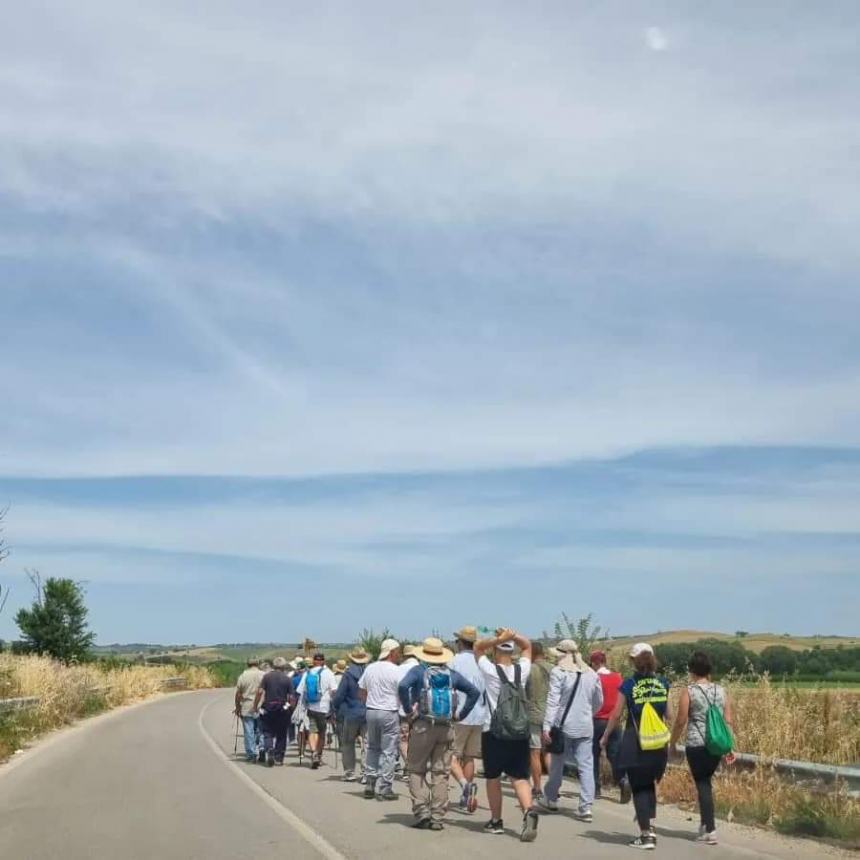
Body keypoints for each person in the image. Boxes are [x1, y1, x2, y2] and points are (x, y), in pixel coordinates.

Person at [398, 637, 480, 830]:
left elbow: (402, 686)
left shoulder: (419, 671)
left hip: (423, 725)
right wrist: (460, 714)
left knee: (416, 769)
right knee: (441, 773)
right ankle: (438, 817)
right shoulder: (452, 675)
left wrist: (409, 710)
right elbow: (474, 692)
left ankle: (422, 812)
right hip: (446, 727)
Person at [600, 643, 672, 850]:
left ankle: (645, 835)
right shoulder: (663, 683)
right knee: (649, 784)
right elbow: (669, 714)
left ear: (633, 661)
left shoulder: (629, 684)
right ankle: (651, 826)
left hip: (636, 741)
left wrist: (605, 737)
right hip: (658, 742)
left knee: (639, 787)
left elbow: (616, 714)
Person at [474, 628, 540, 843]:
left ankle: (496, 821)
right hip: (520, 732)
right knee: (519, 777)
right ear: (512, 652)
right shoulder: (522, 669)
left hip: (494, 732)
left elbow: (477, 647)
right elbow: (528, 646)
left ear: (495, 651)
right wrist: (514, 636)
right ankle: (528, 810)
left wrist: (497, 639)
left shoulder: (491, 671)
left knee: (493, 778)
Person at [668, 650, 734, 846]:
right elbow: (728, 720)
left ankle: (710, 829)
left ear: (691, 670)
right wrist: (729, 745)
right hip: (716, 744)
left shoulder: (689, 691)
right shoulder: (721, 691)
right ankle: (705, 825)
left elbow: (681, 720)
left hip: (696, 744)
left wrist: (672, 742)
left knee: (702, 784)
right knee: (706, 782)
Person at [539, 639, 603, 821]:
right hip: (585, 725)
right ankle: (586, 807)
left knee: (558, 764)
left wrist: (547, 726)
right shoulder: (591, 673)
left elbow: (553, 701)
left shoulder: (559, 672)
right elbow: (599, 701)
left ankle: (551, 798)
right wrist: (587, 713)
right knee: (586, 766)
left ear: (562, 655)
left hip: (563, 725)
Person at [448, 625, 486, 814]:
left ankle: (464, 784)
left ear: (461, 642)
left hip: (459, 714)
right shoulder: (482, 661)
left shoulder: (454, 661)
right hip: (479, 715)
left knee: (451, 755)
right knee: (470, 757)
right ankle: (466, 794)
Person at [358, 638, 402, 800]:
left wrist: (370, 702)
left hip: (372, 710)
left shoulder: (370, 668)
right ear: (392, 652)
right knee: (388, 750)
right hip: (389, 711)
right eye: (397, 652)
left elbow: (361, 691)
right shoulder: (397, 670)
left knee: (372, 747)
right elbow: (402, 690)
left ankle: (370, 781)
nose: (399, 655)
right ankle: (385, 787)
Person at [591, 649, 628, 801]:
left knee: (593, 756)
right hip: (614, 721)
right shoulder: (618, 677)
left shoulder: (593, 677)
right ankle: (623, 781)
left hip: (596, 719)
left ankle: (595, 788)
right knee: (615, 755)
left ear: (594, 663)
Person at [332, 647, 370, 782]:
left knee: (348, 742)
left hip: (351, 712)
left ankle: (350, 772)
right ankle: (366, 773)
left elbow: (339, 695)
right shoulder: (369, 672)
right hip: (367, 711)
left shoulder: (348, 675)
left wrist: (334, 707)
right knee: (367, 743)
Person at [296, 652, 338, 769]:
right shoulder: (329, 673)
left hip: (311, 707)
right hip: (324, 708)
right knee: (322, 733)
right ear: (323, 661)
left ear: (314, 661)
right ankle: (318, 755)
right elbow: (334, 690)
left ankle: (313, 751)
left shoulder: (308, 673)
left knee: (312, 731)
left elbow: (301, 691)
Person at [525, 641, 553, 802]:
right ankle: (553, 786)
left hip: (534, 714)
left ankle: (537, 787)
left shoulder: (529, 670)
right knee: (548, 751)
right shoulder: (554, 669)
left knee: (534, 752)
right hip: (551, 715)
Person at [253, 656, 293, 766]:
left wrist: (255, 706)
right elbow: (291, 697)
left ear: (274, 666)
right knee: (281, 734)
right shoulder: (287, 679)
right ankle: (278, 758)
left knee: (267, 732)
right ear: (284, 666)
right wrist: (289, 708)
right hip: (282, 708)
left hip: (268, 707)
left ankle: (269, 749)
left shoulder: (267, 677)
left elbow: (260, 692)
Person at [234, 656, 265, 762]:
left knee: (249, 731)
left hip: (247, 706)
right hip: (261, 706)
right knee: (261, 730)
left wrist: (237, 707)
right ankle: (262, 749)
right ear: (258, 663)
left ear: (247, 664)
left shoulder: (243, 676)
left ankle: (251, 753)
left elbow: (238, 694)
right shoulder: (263, 675)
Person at [397, 644, 420, 779]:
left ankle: (409, 765)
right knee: (416, 740)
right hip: (420, 710)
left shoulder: (399, 669)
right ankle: (414, 767)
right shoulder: (423, 669)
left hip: (403, 709)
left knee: (403, 740)